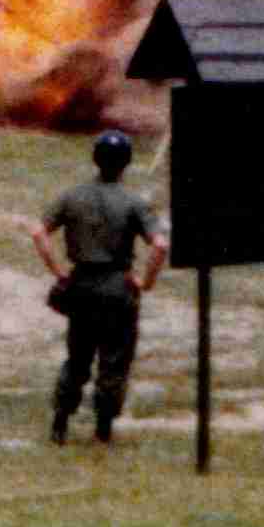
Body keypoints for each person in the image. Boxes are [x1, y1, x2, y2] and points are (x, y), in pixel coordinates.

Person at [31, 130, 168, 446]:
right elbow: (160, 245)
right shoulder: (134, 203)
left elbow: (38, 232)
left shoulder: (72, 196)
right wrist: (145, 282)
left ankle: (60, 423)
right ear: (126, 163)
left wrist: (59, 272)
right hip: (118, 288)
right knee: (114, 360)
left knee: (77, 357)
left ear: (95, 158)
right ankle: (102, 429)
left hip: (81, 286)